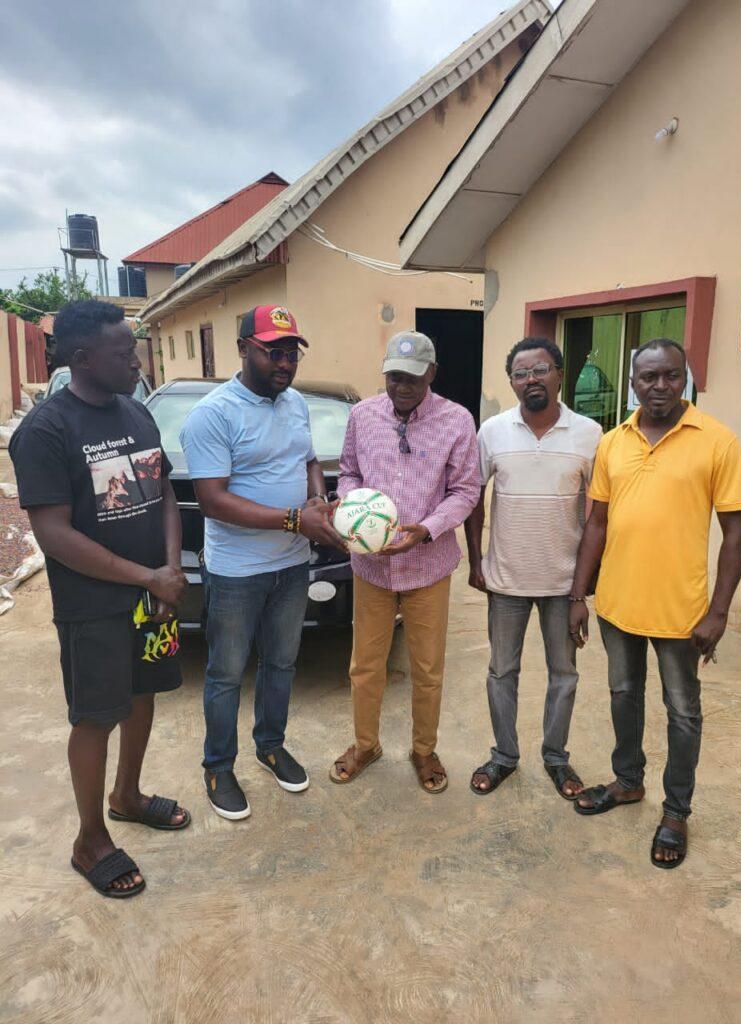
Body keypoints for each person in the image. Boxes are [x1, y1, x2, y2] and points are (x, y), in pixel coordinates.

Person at [9, 300, 189, 900]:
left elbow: (161, 490)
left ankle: (127, 796)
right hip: (93, 607)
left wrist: (166, 570)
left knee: (144, 695)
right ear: (81, 358)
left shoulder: (137, 413)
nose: (137, 362)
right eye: (124, 353)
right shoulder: (46, 432)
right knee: (96, 715)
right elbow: (55, 536)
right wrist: (147, 577)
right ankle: (90, 838)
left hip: (149, 595)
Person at [569, 338, 741, 868]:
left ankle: (676, 813)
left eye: (671, 376)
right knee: (623, 697)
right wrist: (579, 595)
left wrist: (718, 612)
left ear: (685, 378)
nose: (659, 386)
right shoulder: (613, 442)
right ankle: (628, 783)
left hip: (682, 613)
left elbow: (736, 535)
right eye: (648, 377)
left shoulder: (717, 441)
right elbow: (596, 523)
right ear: (633, 382)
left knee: (683, 713)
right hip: (619, 606)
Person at [180, 305, 343, 820]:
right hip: (235, 572)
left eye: (292, 352)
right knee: (226, 672)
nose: (285, 362)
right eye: (273, 351)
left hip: (291, 567)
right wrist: (298, 520)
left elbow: (309, 460)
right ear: (244, 348)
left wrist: (317, 501)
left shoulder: (295, 403)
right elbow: (212, 500)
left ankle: (270, 745)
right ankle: (218, 766)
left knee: (282, 663)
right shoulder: (213, 413)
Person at [329, 330, 480, 793]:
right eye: (394, 377)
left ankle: (423, 749)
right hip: (372, 567)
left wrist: (426, 530)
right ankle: (366, 744)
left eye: (413, 378)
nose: (402, 387)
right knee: (365, 664)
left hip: (428, 566)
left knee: (427, 667)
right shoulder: (363, 415)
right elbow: (349, 469)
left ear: (432, 373)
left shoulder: (456, 421)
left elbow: (466, 490)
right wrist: (350, 507)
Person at [465, 338, 602, 799]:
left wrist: (582, 591)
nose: (531, 380)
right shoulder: (492, 432)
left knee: (564, 674)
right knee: (502, 671)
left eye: (540, 370)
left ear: (560, 375)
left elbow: (598, 515)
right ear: (512, 383)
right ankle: (504, 755)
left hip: (564, 584)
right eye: (521, 374)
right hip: (506, 580)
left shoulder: (589, 434)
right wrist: (476, 557)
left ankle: (556, 757)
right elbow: (473, 500)